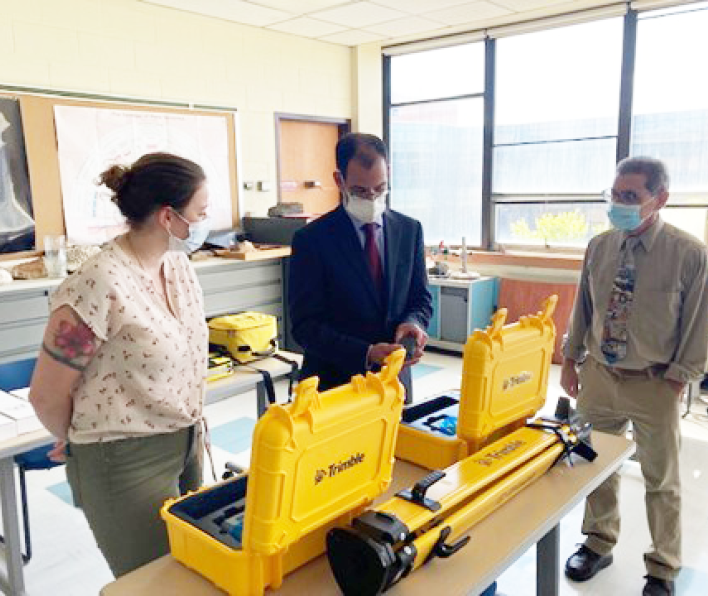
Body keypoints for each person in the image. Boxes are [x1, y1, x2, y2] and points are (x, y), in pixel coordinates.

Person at [29, 152, 211, 577]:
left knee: (194, 573)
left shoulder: (178, 267)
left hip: (184, 443)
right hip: (124, 460)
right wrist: (77, 439)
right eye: (200, 213)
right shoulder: (99, 283)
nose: (205, 223)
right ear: (169, 217)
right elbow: (46, 394)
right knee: (156, 583)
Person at [561, 157, 708, 596]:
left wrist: (680, 378)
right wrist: (570, 360)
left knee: (661, 480)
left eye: (631, 197)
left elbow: (700, 322)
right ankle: (598, 541)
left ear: (659, 199)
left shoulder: (689, 253)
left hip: (655, 382)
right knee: (594, 465)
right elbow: (583, 308)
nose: (619, 204)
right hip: (600, 377)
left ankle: (663, 566)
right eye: (615, 194)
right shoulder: (600, 246)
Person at [288, 133, 432, 402]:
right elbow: (305, 325)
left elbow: (420, 298)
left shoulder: (409, 230)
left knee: (397, 444)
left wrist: (413, 324)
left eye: (380, 188)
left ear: (388, 173)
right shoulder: (312, 240)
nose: (372, 198)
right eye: (360, 191)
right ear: (339, 180)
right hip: (334, 385)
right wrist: (366, 352)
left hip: (394, 381)